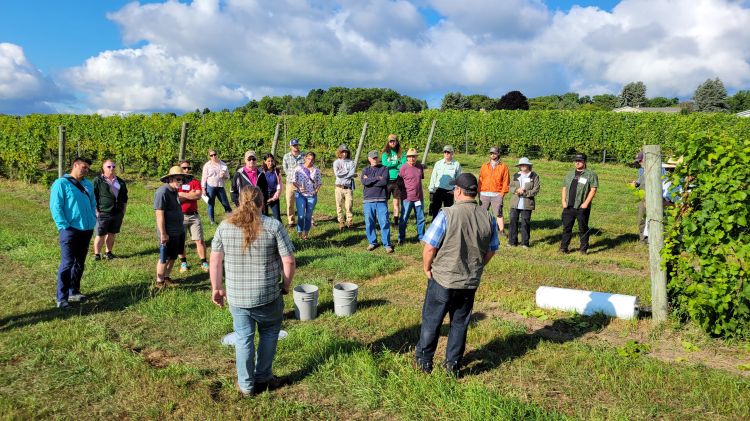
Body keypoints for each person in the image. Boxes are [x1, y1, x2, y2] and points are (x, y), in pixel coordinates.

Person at [210, 186, 295, 397]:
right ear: (262, 203)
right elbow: (289, 261)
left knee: (243, 338)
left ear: (240, 202)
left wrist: (217, 288)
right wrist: (285, 285)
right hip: (267, 294)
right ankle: (263, 377)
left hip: (237, 297)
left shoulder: (224, 226)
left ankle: (246, 386)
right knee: (269, 332)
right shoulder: (273, 226)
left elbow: (215, 260)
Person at [415, 173, 499, 376]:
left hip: (443, 279)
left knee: (432, 321)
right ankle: (452, 365)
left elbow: (429, 248)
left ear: (459, 192)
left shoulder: (447, 214)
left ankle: (424, 362)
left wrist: (427, 268)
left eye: (455, 189)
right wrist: (477, 267)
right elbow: (492, 249)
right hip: (469, 282)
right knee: (460, 324)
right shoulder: (488, 217)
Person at [50, 157, 97, 309]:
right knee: (67, 263)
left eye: (88, 168)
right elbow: (56, 206)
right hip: (70, 229)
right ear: (75, 165)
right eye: (84, 167)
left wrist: (92, 220)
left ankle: (74, 291)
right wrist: (64, 226)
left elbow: (92, 204)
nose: (86, 170)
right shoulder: (61, 184)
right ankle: (61, 298)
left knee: (79, 263)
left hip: (86, 228)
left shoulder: (87, 184)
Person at [154, 166, 189, 289]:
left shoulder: (174, 192)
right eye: (179, 179)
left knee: (174, 256)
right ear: (170, 179)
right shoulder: (162, 192)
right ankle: (159, 281)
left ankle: (166, 277)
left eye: (183, 180)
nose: (181, 182)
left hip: (178, 230)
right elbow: (159, 214)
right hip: (168, 231)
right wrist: (163, 233)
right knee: (165, 257)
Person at [560, 153, 599, 255]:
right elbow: (564, 188)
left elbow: (593, 190)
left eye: (580, 160)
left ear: (585, 162)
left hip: (582, 206)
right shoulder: (569, 174)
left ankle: (583, 249)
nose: (577, 162)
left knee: (583, 228)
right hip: (568, 206)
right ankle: (563, 248)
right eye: (576, 160)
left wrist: (586, 203)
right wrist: (563, 201)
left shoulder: (591, 174)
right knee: (567, 228)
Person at [92, 159, 128, 260]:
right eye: (108, 166)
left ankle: (108, 253)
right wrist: (96, 211)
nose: (111, 168)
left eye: (113, 166)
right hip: (103, 212)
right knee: (100, 234)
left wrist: (123, 210)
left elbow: (124, 197)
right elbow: (92, 196)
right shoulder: (98, 180)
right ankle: (97, 254)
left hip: (117, 212)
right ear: (103, 168)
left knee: (112, 233)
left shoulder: (120, 181)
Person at [177, 160, 209, 273]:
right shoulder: (176, 183)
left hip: (194, 216)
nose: (187, 170)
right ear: (180, 169)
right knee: (181, 241)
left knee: (199, 240)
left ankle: (204, 262)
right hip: (180, 216)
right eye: (184, 168)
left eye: (188, 168)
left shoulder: (194, 181)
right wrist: (191, 194)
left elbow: (198, 195)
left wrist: (183, 194)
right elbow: (177, 198)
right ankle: (184, 263)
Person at [361, 150, 393, 253]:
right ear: (369, 159)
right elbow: (364, 182)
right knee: (369, 223)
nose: (375, 160)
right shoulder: (365, 170)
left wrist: (370, 180)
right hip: (368, 200)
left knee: (384, 222)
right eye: (372, 158)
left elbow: (383, 182)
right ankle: (372, 242)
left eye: (376, 158)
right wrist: (377, 178)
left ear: (378, 158)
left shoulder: (384, 168)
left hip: (381, 200)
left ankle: (387, 244)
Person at [507, 157, 541, 248]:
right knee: (513, 222)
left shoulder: (534, 176)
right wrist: (516, 190)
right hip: (515, 203)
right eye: (520, 165)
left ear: (528, 165)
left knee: (525, 223)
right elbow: (510, 187)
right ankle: (512, 242)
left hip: (527, 203)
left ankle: (525, 243)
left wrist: (525, 193)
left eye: (524, 164)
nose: (522, 166)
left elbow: (536, 189)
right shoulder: (516, 175)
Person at [478, 146, 509, 236]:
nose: (492, 155)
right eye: (491, 153)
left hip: (497, 194)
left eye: (494, 153)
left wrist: (502, 194)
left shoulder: (503, 167)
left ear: (498, 154)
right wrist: (479, 192)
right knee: (482, 213)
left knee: (498, 213)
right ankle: (482, 229)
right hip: (484, 194)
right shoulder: (484, 166)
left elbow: (506, 181)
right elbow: (480, 179)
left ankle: (501, 231)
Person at [398, 148, 425, 245]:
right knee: (404, 218)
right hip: (407, 198)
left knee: (421, 218)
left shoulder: (420, 167)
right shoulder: (403, 168)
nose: (412, 158)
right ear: (407, 158)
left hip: (419, 198)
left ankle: (421, 237)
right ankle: (401, 238)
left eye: (414, 156)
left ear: (416, 157)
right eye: (410, 157)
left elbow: (419, 180)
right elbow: (399, 183)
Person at [293, 151, 321, 240]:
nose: (310, 161)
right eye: (308, 158)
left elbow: (319, 183)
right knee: (301, 216)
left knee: (308, 216)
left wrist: (316, 191)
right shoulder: (298, 168)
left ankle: (306, 235)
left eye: (312, 159)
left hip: (311, 196)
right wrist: (299, 187)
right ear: (305, 158)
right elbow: (293, 180)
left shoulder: (316, 170)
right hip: (300, 195)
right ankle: (299, 234)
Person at [428, 145, 461, 219]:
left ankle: (448, 227)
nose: (446, 153)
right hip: (438, 190)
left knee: (449, 213)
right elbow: (433, 177)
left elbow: (458, 179)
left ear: (452, 153)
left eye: (448, 152)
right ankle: (435, 225)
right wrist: (431, 190)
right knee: (435, 210)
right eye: (445, 152)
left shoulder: (456, 164)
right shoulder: (438, 163)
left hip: (449, 192)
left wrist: (454, 190)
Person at [202, 149, 232, 224]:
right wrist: (203, 188)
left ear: (217, 154)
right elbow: (204, 177)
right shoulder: (207, 165)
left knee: (225, 203)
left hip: (220, 186)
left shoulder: (223, 164)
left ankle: (231, 219)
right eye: (211, 155)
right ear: (209, 156)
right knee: (211, 204)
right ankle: (212, 221)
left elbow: (228, 177)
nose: (213, 156)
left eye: (215, 154)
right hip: (210, 186)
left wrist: (224, 176)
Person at [382, 134, 406, 226]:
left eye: (394, 141)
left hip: (397, 180)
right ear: (388, 142)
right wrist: (396, 162)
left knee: (396, 201)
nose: (392, 143)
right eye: (390, 141)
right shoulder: (385, 154)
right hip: (387, 180)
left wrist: (391, 164)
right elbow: (385, 164)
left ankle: (396, 221)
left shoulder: (402, 153)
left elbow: (403, 165)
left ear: (397, 141)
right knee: (385, 201)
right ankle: (385, 220)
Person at [282, 139, 305, 228]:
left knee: (303, 202)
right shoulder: (286, 156)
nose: (295, 147)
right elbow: (285, 168)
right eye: (294, 145)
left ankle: (304, 219)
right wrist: (292, 177)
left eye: (296, 145)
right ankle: (291, 221)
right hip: (290, 183)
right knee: (290, 202)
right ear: (290, 146)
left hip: (301, 183)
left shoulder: (303, 155)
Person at [333, 144, 356, 230]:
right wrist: (348, 173)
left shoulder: (351, 162)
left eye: (346, 152)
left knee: (349, 205)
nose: (344, 153)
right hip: (338, 187)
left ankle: (349, 221)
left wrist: (347, 174)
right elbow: (337, 174)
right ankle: (341, 221)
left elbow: (352, 173)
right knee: (339, 205)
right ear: (339, 152)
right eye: (342, 152)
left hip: (348, 187)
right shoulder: (336, 162)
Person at [630, 151, 648, 243]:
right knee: (641, 219)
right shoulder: (641, 170)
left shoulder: (660, 169)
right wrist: (636, 184)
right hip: (642, 198)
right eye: (638, 162)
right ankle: (643, 239)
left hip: (655, 198)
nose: (639, 163)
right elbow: (640, 182)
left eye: (640, 161)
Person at [261, 154, 282, 222]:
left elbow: (279, 185)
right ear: (264, 161)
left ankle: (280, 231)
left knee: (277, 218)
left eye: (271, 161)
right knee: (264, 218)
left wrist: (274, 197)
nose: (270, 163)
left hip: (274, 196)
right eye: (268, 161)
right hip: (263, 197)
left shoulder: (277, 171)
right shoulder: (260, 172)